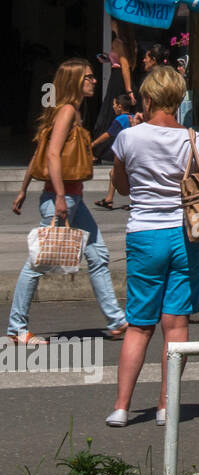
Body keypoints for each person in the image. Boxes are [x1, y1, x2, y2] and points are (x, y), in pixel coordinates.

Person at [107, 65, 199, 427]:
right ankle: (166, 405)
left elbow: (123, 187)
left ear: (147, 98)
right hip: (186, 234)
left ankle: (121, 407)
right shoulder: (195, 139)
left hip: (144, 234)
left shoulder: (128, 138)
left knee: (138, 324)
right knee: (175, 325)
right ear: (178, 100)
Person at [9, 59, 129, 345]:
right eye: (89, 77)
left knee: (97, 254)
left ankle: (117, 321)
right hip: (62, 198)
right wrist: (60, 196)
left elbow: (40, 150)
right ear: (75, 81)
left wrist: (24, 189)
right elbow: (50, 155)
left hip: (70, 198)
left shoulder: (68, 111)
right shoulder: (66, 112)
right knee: (37, 263)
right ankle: (17, 328)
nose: (94, 81)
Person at [90, 93, 134, 209]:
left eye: (114, 104)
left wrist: (93, 144)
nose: (113, 107)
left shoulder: (120, 119)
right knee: (113, 173)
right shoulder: (134, 117)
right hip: (132, 151)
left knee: (122, 174)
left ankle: (135, 202)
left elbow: (108, 134)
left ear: (120, 106)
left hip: (126, 153)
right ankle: (109, 199)